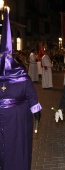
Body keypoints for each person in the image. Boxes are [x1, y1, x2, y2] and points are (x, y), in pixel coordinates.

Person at [0, 7, 42, 170]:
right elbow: (32, 98)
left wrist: (36, 110)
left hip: (13, 118)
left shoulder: (21, 75)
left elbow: (32, 97)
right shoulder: (22, 75)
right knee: (17, 148)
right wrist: (37, 113)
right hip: (18, 118)